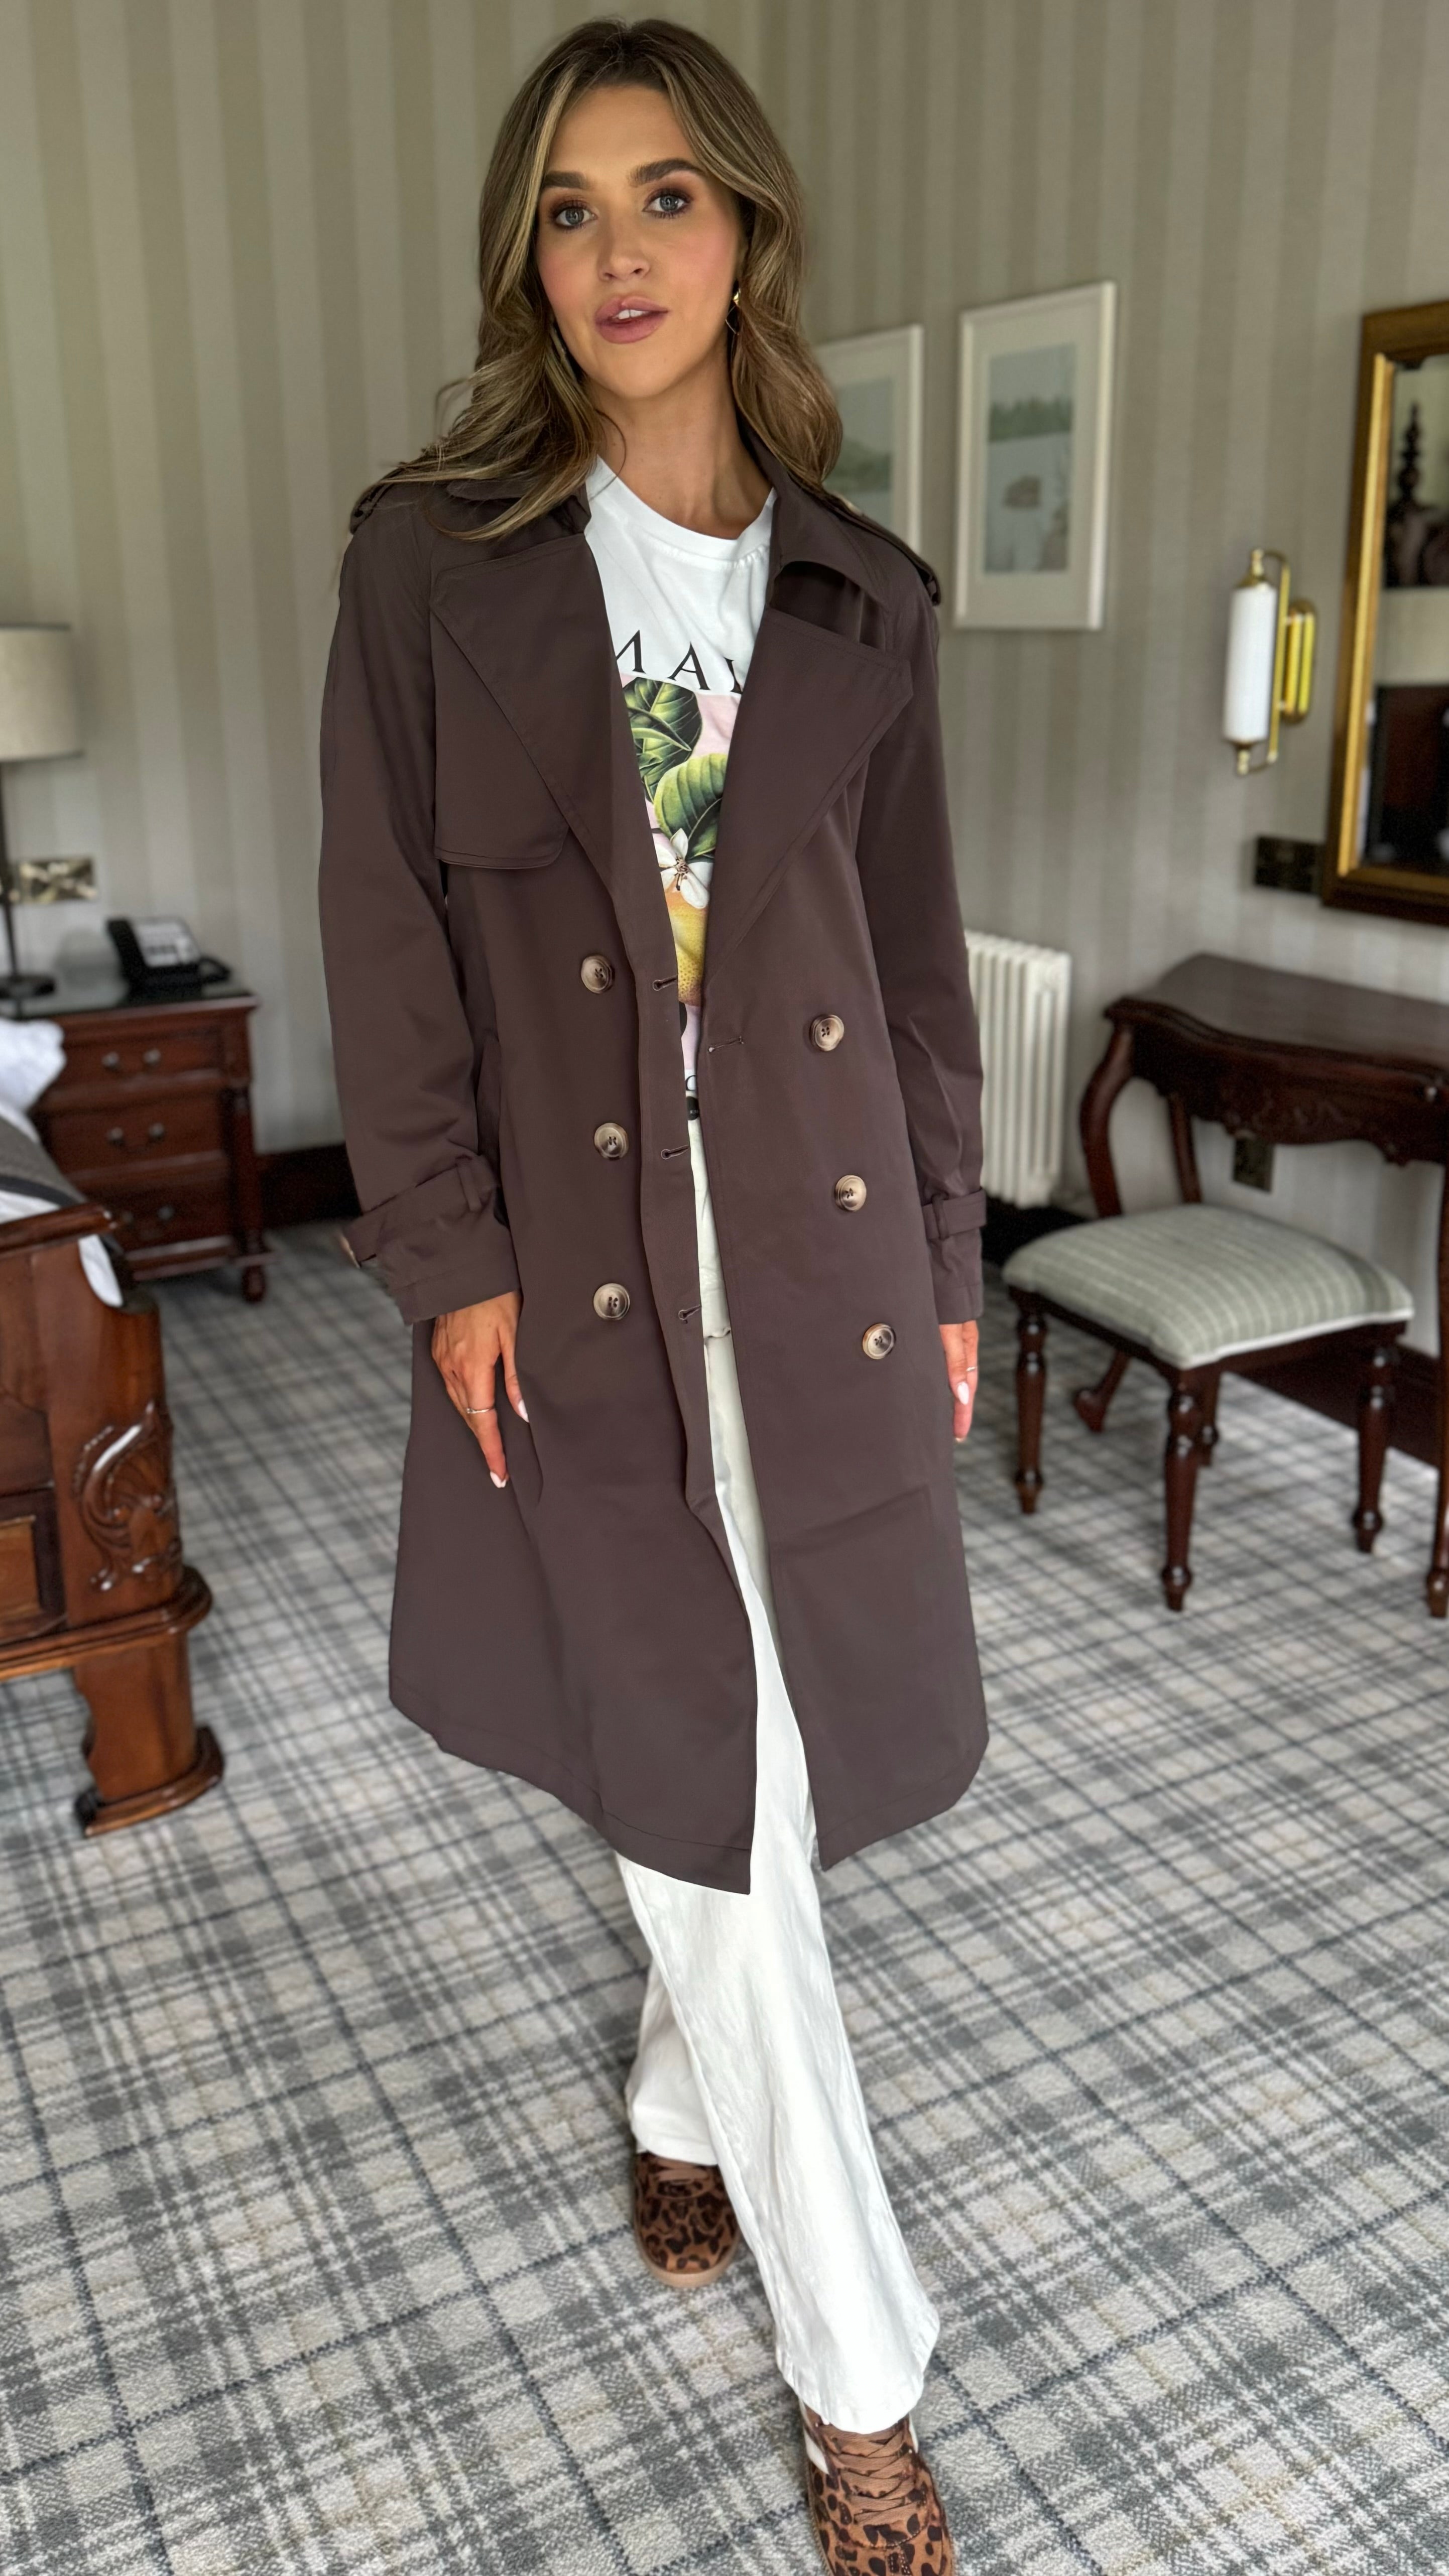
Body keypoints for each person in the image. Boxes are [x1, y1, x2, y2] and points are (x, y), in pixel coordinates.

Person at [319, 20, 987, 2568]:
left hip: (818, 1278)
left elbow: (913, 980)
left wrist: (949, 1258)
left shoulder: (861, 593)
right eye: (572, 206)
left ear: (746, 233)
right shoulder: (433, 566)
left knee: (764, 1765)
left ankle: (672, 2104)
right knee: (717, 1780)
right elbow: (387, 942)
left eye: (668, 195)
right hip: (580, 1298)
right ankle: (861, 2379)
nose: (621, 251)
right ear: (528, 253)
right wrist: (441, 1255)